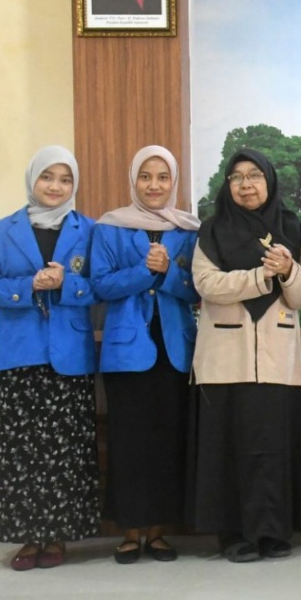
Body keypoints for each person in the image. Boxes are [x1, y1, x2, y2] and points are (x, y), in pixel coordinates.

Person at [189, 149, 301, 563]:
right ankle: (234, 535)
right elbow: (207, 284)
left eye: (255, 176)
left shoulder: (292, 229)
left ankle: (274, 533)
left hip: (278, 359)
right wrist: (261, 276)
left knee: (273, 449)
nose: (246, 185)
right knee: (229, 450)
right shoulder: (212, 230)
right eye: (237, 177)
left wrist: (288, 271)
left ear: (270, 181)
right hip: (225, 360)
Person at [0, 146, 100, 571]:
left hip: (70, 356)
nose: (55, 187)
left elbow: (100, 286)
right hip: (18, 354)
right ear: (32, 179)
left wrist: (67, 283)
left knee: (66, 452)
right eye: (47, 177)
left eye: (65, 179)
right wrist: (28, 285)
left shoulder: (90, 230)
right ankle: (28, 538)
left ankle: (59, 536)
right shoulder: (1, 231)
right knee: (21, 453)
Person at [91, 145, 200, 564]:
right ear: (133, 180)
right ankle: (129, 531)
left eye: (163, 177)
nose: (154, 185)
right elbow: (100, 286)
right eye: (146, 176)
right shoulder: (110, 227)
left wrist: (169, 272)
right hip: (126, 353)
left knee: (168, 441)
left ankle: (157, 533)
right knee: (129, 443)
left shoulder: (188, 229)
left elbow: (197, 289)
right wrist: (145, 271)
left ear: (174, 182)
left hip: (176, 351)